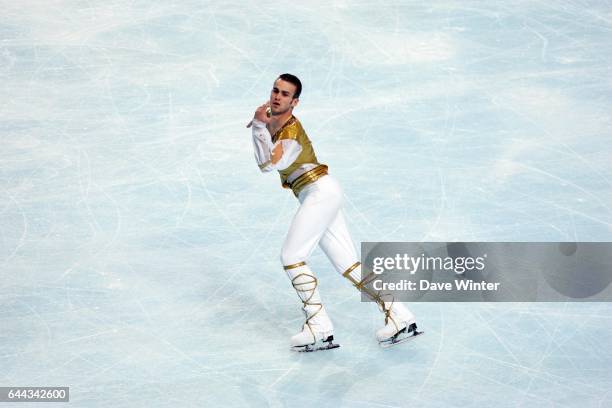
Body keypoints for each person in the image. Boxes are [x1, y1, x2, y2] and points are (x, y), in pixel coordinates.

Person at [247, 73, 422, 351]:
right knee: (348, 262)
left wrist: (258, 126)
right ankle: (400, 316)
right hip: (320, 192)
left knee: (292, 256)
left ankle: (318, 327)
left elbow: (267, 164)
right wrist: (263, 125)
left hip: (319, 192)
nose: (277, 96)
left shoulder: (290, 133)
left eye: (284, 94)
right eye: (275, 90)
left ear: (295, 102)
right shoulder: (275, 124)